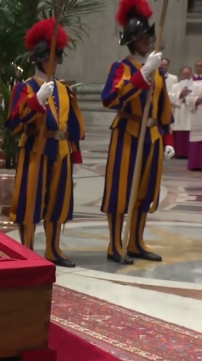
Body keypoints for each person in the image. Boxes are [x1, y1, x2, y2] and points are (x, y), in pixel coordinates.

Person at [100, 0, 175, 265]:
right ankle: (115, 244)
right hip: (128, 133)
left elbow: (164, 108)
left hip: (152, 137)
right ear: (131, 41)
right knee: (120, 190)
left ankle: (136, 242)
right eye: (142, 37)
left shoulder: (158, 72)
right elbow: (110, 98)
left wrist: (168, 138)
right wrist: (142, 74)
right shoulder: (121, 67)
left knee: (145, 191)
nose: (148, 41)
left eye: (148, 37)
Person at [7, 19, 85, 268]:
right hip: (35, 149)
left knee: (58, 202)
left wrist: (76, 156)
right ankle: (27, 250)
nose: (52, 62)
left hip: (61, 150)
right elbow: (14, 123)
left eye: (55, 58)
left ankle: (53, 249)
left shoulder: (64, 90)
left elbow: (72, 126)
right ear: (38, 59)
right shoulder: (25, 88)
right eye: (48, 58)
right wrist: (36, 101)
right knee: (29, 202)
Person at [169, 67, 194, 158]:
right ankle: (179, 153)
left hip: (191, 112)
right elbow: (170, 97)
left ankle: (189, 153)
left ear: (191, 74)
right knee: (179, 131)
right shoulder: (175, 86)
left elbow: (197, 97)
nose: (186, 75)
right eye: (184, 73)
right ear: (181, 74)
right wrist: (180, 94)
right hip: (179, 112)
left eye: (188, 73)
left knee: (189, 130)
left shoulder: (195, 85)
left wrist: (187, 100)